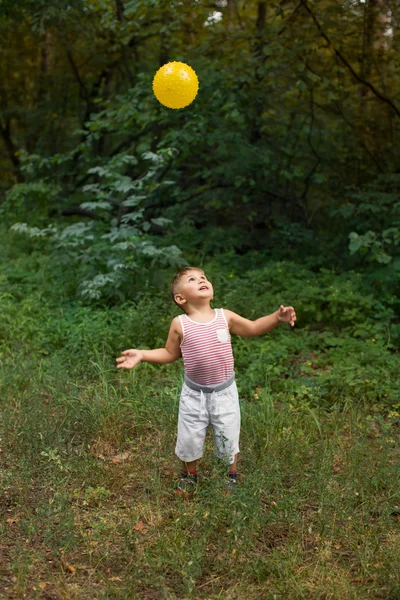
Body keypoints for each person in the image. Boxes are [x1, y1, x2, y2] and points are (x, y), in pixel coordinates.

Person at [116, 267, 296, 496]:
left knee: (228, 435)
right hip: (194, 395)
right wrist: (143, 354)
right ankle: (189, 476)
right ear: (180, 298)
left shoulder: (225, 317)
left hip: (224, 393)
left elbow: (252, 328)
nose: (202, 280)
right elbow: (169, 353)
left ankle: (230, 476)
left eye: (204, 278)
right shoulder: (180, 323)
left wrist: (276, 317)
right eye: (193, 279)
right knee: (189, 437)